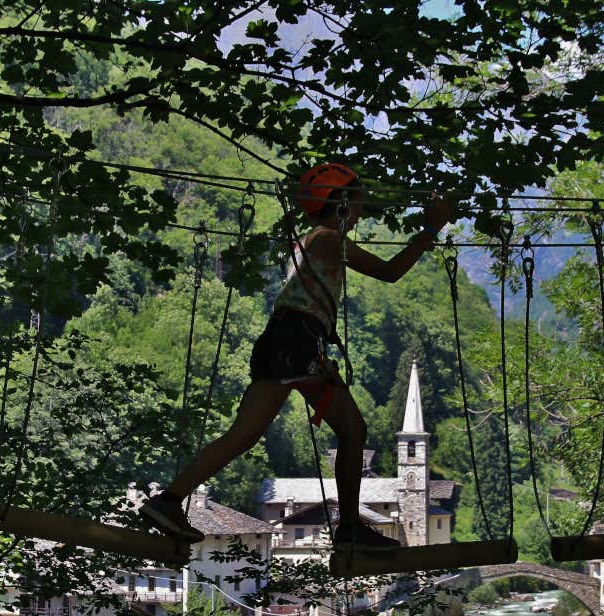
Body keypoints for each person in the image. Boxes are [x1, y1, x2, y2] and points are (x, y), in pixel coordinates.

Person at [142, 163, 452, 551]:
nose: (360, 212)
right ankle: (350, 529)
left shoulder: (311, 241)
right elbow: (390, 272)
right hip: (296, 343)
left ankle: (169, 500)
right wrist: (431, 229)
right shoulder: (324, 239)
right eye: (356, 204)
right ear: (339, 207)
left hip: (289, 342)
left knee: (245, 436)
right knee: (352, 430)